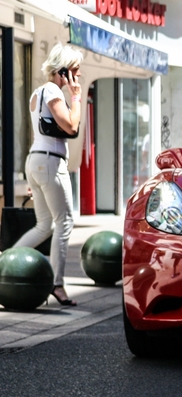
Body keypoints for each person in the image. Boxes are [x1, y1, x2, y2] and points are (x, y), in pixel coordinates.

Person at [13, 43, 84, 306]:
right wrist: (76, 97)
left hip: (37, 160)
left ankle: (6, 262)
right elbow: (71, 125)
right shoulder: (53, 90)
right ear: (63, 71)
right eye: (75, 70)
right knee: (64, 222)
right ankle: (57, 284)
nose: (78, 75)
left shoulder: (37, 93)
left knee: (44, 225)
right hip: (51, 162)